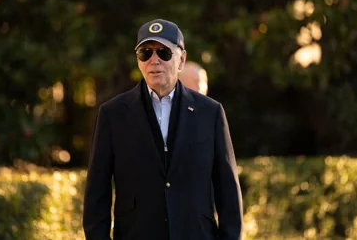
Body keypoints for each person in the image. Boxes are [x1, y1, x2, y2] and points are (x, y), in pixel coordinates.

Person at [83, 19, 243, 240]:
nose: (154, 60)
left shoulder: (210, 112)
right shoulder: (113, 114)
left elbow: (228, 192)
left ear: (182, 60)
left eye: (164, 53)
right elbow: (96, 194)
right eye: (145, 53)